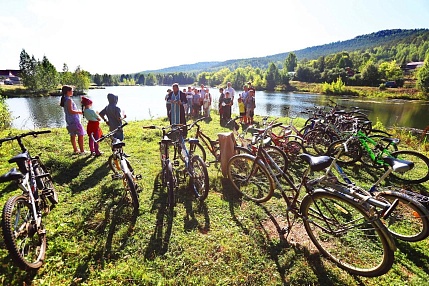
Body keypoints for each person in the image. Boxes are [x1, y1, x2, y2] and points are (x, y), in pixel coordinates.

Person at [60, 85, 86, 155]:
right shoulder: (68, 100)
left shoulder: (64, 99)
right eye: (71, 91)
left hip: (69, 120)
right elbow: (71, 111)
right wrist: (79, 112)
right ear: (68, 92)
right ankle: (82, 151)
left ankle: (75, 150)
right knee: (80, 135)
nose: (72, 92)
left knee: (73, 134)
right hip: (74, 120)